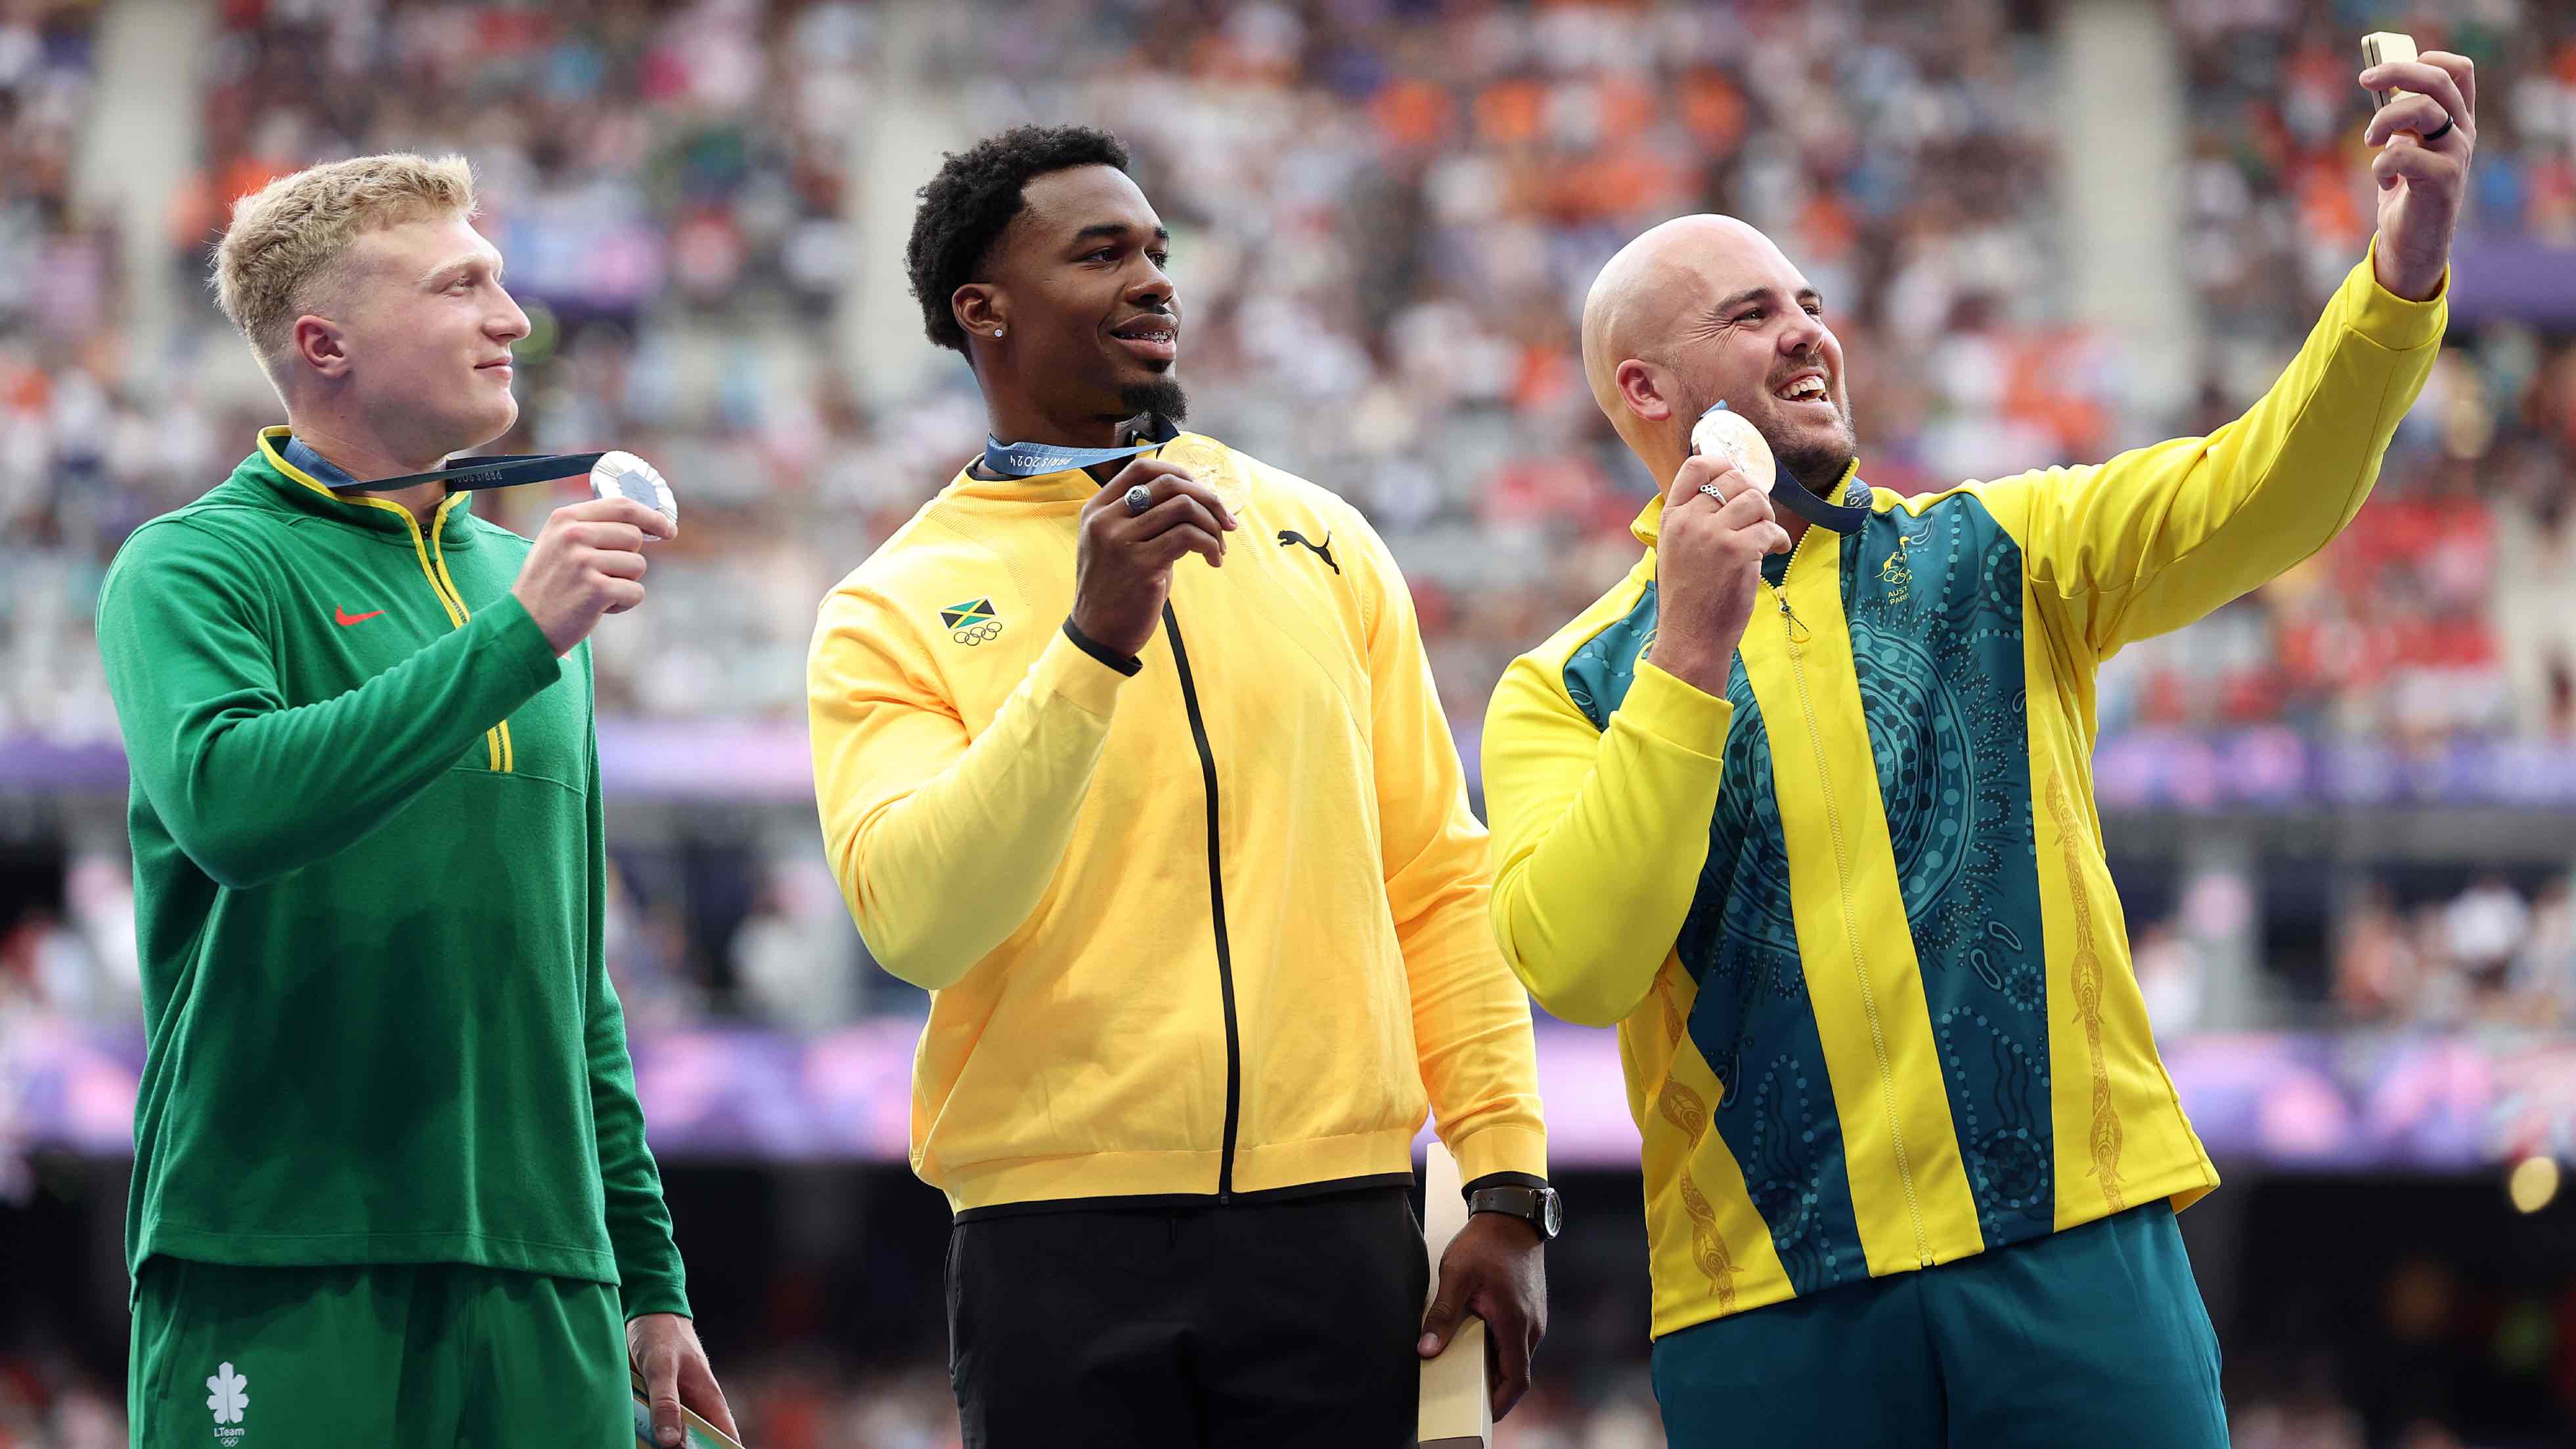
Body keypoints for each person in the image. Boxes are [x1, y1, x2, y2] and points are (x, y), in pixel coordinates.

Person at [1480, 50, 2477, 1449]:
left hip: (2071, 1249)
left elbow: (2269, 488)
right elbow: (1576, 961)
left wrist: (2400, 276)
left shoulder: (2000, 548)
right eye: (1751, 311)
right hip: (1771, 1300)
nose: (1806, 332)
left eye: (1810, 305)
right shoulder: (1563, 684)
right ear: (1646, 389)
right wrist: (1686, 653)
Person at [807, 124, 1551, 1446]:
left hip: (1340, 1225)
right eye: (1101, 254)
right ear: (983, 310)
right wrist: (1090, 641)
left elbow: (1439, 875)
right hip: (1053, 1241)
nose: (1155, 280)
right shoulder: (891, 604)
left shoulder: (1323, 540)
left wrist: (1502, 1176)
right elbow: (915, 916)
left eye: (1157, 250)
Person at [94, 153, 733, 1449]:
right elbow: (231, 804)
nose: (514, 317)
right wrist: (518, 637)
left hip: (547, 1273)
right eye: (462, 286)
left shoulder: (525, 579)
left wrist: (649, 1275)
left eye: (501, 281)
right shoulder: (193, 565)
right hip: (281, 1253)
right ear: (324, 342)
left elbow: (573, 968)